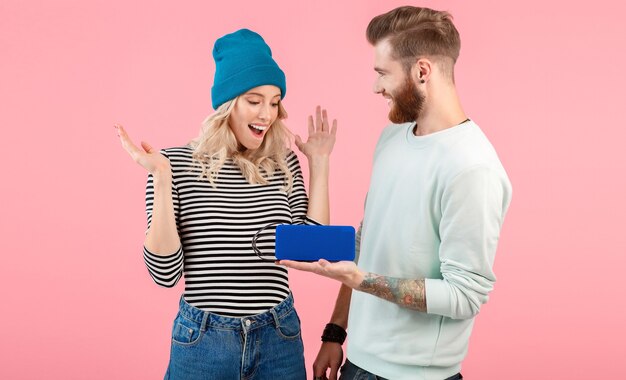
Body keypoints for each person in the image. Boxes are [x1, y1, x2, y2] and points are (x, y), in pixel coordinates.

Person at [279, 6, 512, 380]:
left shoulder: (472, 168)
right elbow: (367, 245)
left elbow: (465, 296)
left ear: (422, 71)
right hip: (357, 364)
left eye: (382, 73)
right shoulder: (393, 136)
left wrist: (362, 280)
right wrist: (336, 332)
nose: (376, 87)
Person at [115, 28, 337, 380]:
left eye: (275, 101)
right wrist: (160, 177)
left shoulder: (284, 163)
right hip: (203, 339)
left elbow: (312, 252)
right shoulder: (173, 165)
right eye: (254, 100)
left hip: (278, 335)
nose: (267, 113)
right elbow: (164, 274)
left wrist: (320, 164)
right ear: (228, 103)